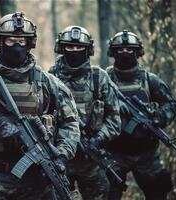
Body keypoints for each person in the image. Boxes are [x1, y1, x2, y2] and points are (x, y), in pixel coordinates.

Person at [0, 12, 80, 200]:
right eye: (10, 40)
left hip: (39, 180)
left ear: (30, 43)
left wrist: (62, 154)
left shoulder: (48, 82)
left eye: (22, 40)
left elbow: (70, 122)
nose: (17, 46)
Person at [49, 26, 121, 200]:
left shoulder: (100, 78)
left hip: (91, 160)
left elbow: (114, 120)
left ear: (88, 50)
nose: (74, 51)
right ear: (62, 48)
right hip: (59, 160)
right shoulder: (50, 78)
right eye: (70, 47)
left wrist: (98, 139)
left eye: (79, 47)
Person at [105, 30, 176, 200]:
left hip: (146, 153)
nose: (124, 53)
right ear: (113, 52)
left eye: (129, 49)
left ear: (137, 52)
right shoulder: (104, 79)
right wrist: (114, 106)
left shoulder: (149, 80)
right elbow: (94, 105)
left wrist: (159, 117)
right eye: (120, 50)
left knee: (158, 193)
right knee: (107, 194)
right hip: (113, 151)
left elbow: (171, 103)